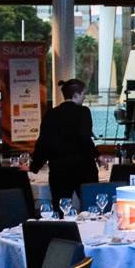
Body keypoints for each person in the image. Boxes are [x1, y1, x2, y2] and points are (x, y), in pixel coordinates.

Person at [30, 78, 98, 206]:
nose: (84, 97)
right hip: (83, 169)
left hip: (59, 170)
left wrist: (34, 167)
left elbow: (43, 142)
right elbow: (84, 138)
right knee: (91, 207)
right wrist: (97, 155)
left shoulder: (50, 114)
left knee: (61, 209)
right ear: (76, 95)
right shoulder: (83, 112)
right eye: (83, 94)